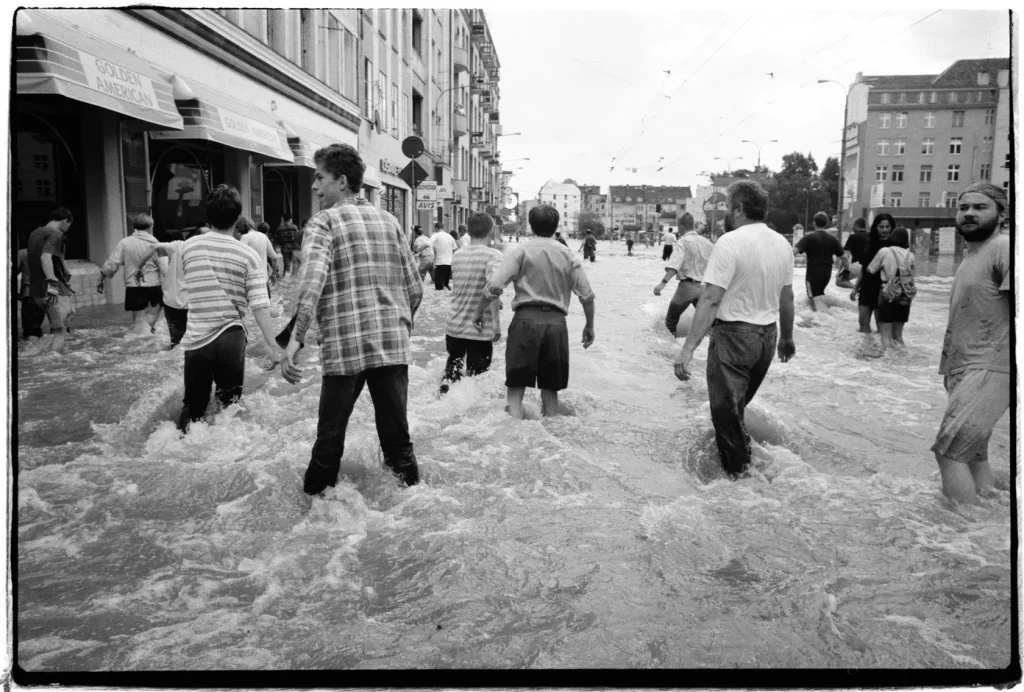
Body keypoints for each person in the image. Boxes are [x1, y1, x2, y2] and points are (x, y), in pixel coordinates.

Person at [280, 143, 423, 494]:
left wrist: (295, 339)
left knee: (330, 438)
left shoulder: (324, 221)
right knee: (398, 440)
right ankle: (410, 501)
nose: (314, 186)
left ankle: (313, 512)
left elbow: (311, 281)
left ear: (341, 181)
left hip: (345, 347)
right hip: (391, 345)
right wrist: (399, 325)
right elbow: (416, 288)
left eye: (319, 178)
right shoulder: (389, 221)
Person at [673, 180, 795, 479]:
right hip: (767, 337)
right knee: (735, 412)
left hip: (734, 337)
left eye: (728, 206)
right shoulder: (782, 243)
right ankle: (752, 467)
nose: (727, 212)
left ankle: (740, 485)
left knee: (725, 418)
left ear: (739, 209)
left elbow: (712, 299)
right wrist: (788, 338)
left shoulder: (730, 241)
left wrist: (687, 348)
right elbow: (787, 297)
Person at [472, 205, 595, 419]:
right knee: (550, 395)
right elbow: (587, 295)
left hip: (525, 323)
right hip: (556, 327)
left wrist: (479, 312)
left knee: (515, 392)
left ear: (531, 225)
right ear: (556, 226)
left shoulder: (521, 251)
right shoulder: (567, 254)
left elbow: (494, 287)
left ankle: (512, 440)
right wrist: (589, 325)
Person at [176, 185, 281, 432]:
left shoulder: (189, 246)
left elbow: (183, 290)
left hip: (197, 340)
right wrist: (273, 345)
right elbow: (259, 302)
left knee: (193, 407)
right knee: (229, 407)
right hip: (231, 338)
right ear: (238, 218)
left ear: (208, 216)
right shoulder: (247, 255)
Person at [932, 184, 1010, 504]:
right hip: (966, 367)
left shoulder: (1003, 247)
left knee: (950, 454)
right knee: (974, 454)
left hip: (991, 367)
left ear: (1001, 214)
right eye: (963, 207)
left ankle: (962, 538)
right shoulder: (972, 257)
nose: (968, 213)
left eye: (980, 207)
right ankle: (987, 516)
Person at [440, 212, 503, 395]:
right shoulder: (493, 255)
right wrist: (497, 325)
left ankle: (446, 384)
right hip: (479, 329)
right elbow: (493, 288)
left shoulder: (458, 255)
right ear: (491, 231)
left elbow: (467, 285)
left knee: (454, 368)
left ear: (468, 230)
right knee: (477, 380)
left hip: (454, 325)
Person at [97, 213, 164, 334]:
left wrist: (100, 279)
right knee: (156, 319)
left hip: (134, 287)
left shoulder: (125, 243)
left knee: (138, 324)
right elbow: (164, 267)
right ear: (150, 226)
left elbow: (112, 263)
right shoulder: (156, 243)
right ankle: (153, 334)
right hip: (154, 286)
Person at [136, 227, 198, 350]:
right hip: (194, 304)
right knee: (196, 344)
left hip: (172, 303)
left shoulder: (177, 246)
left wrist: (138, 268)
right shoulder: (205, 249)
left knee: (176, 344)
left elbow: (153, 247)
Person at [653, 212, 714, 336]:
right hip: (704, 288)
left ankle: (668, 350)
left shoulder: (683, 242)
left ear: (681, 226)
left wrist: (662, 283)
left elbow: (674, 266)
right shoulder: (708, 243)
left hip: (686, 288)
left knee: (671, 321)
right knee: (708, 323)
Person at [26, 208, 77, 353]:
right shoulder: (56, 234)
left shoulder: (34, 233)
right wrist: (53, 283)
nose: (68, 229)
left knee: (59, 324)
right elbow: (45, 257)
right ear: (65, 221)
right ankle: (55, 361)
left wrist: (64, 276)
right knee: (60, 331)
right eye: (69, 225)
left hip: (36, 291)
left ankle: (47, 352)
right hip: (51, 289)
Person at [866, 227, 915, 353]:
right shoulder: (910, 255)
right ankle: (903, 357)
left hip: (888, 294)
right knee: (898, 335)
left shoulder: (885, 251)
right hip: (905, 296)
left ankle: (888, 363)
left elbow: (871, 270)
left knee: (885, 336)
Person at [849, 213, 894, 335]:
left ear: (891, 227)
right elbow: (864, 268)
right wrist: (855, 288)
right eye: (881, 227)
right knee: (863, 325)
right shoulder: (869, 243)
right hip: (867, 288)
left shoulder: (894, 245)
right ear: (876, 227)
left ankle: (880, 352)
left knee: (882, 329)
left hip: (884, 290)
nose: (884, 230)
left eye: (887, 227)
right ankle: (865, 351)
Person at [794, 211, 846, 312]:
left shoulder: (809, 238)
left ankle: (822, 322)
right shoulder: (832, 239)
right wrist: (846, 271)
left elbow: (793, 252)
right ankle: (819, 318)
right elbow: (844, 257)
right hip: (827, 274)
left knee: (815, 299)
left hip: (813, 274)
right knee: (818, 296)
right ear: (826, 223)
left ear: (814, 223)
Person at [239, 218, 281, 299]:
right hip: (264, 279)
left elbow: (239, 258)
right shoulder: (264, 236)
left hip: (250, 282)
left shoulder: (245, 237)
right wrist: (274, 274)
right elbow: (274, 257)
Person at [17, 247, 45, 339]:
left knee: (31, 332)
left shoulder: (23, 253)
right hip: (45, 294)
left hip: (29, 293)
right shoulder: (48, 252)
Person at [837, 217, 868, 288]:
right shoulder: (871, 236)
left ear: (857, 225)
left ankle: (856, 288)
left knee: (839, 280)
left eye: (853, 226)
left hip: (858, 265)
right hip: (870, 266)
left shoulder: (853, 237)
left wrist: (840, 270)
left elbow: (845, 256)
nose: (852, 228)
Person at [430, 222, 458, 290]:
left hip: (440, 263)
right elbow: (455, 249)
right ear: (444, 228)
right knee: (446, 285)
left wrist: (418, 249)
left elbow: (428, 243)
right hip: (449, 264)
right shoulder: (449, 236)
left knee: (439, 287)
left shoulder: (436, 235)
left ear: (436, 228)